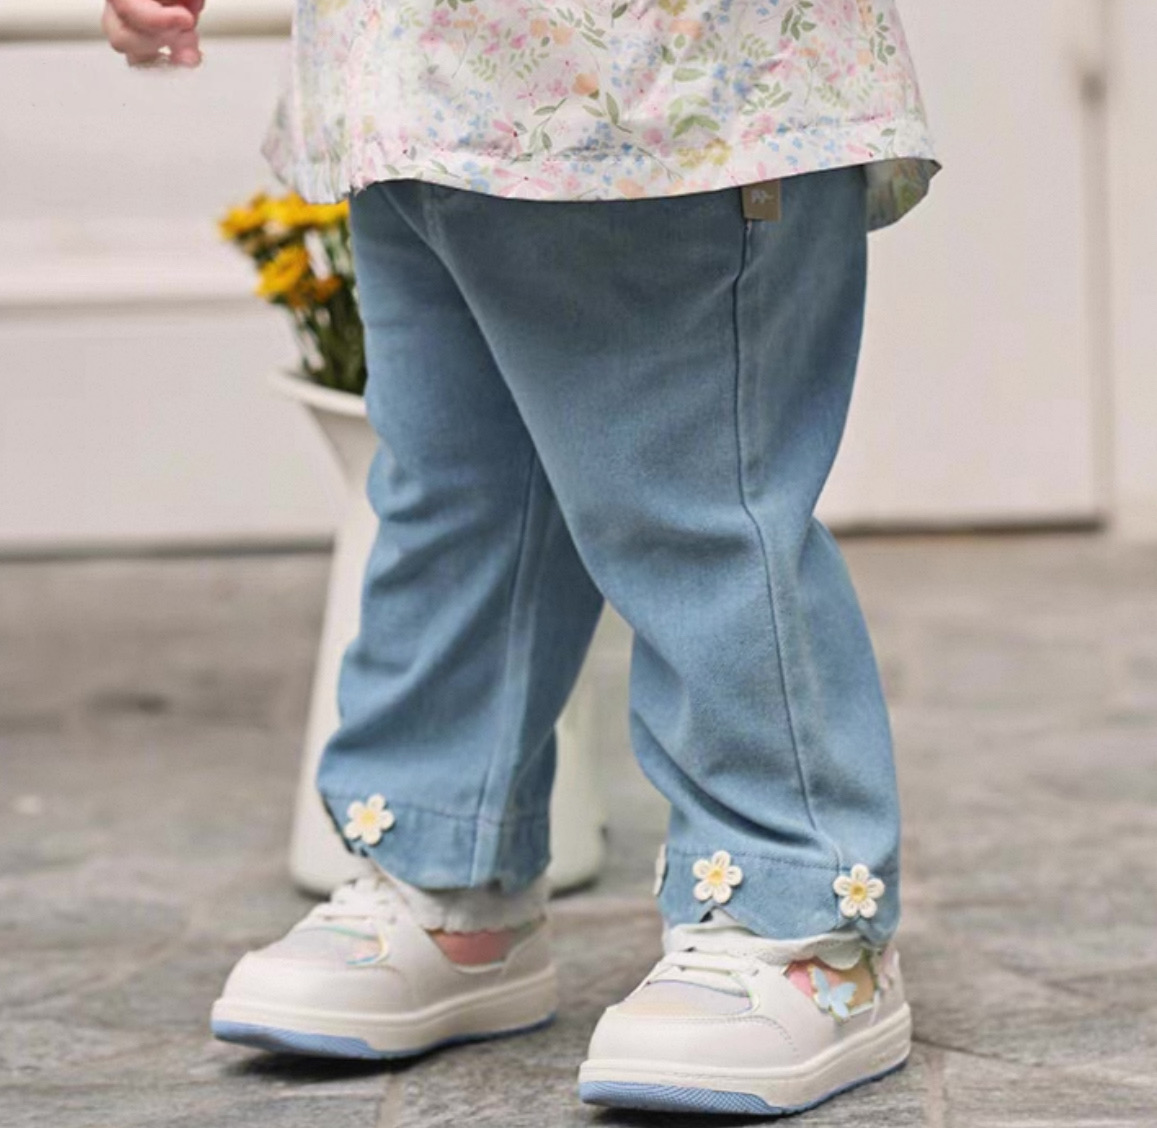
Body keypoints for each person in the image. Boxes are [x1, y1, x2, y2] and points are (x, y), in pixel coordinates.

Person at [104, 0, 942, 1115]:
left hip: (655, 89)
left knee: (696, 500)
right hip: (407, 78)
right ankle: (447, 872)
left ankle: (802, 915)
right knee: (459, 498)